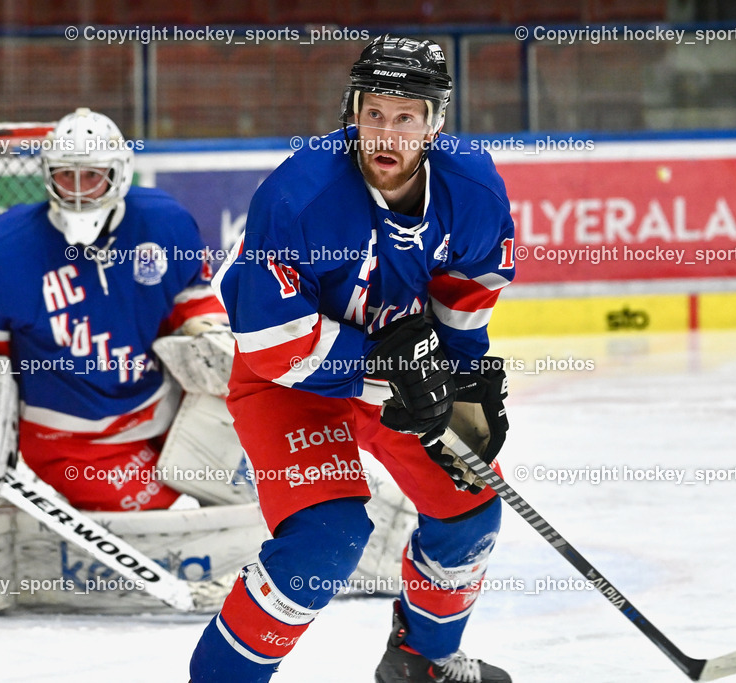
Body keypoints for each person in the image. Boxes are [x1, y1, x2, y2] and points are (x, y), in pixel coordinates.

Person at [188, 35, 516, 683]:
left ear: (435, 123)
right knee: (325, 541)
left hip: (396, 375)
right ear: (352, 112)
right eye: (374, 114)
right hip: (290, 383)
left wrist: (464, 372)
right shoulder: (298, 197)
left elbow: (468, 286)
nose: (386, 134)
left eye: (406, 117)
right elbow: (270, 342)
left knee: (471, 501)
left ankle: (422, 661)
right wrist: (386, 366)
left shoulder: (472, 186)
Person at [0, 108, 226, 511]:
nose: (77, 190)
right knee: (181, 523)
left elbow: (191, 295)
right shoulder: (1, 255)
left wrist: (208, 329)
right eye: (65, 175)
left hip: (168, 412)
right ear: (47, 174)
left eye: (91, 175)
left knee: (238, 500)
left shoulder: (164, 223)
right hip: (74, 445)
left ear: (119, 173)